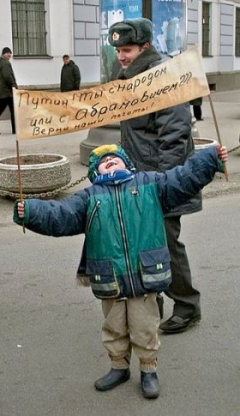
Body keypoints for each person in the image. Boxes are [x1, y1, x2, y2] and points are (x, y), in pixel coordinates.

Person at [13, 143, 227, 399]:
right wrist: (32, 211)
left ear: (128, 163)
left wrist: (210, 157)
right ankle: (119, 367)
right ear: (94, 172)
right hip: (110, 278)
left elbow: (183, 178)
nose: (110, 161)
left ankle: (149, 370)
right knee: (114, 327)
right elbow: (61, 214)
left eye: (115, 157)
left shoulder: (151, 184)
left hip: (144, 275)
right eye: (104, 161)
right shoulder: (89, 197)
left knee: (145, 327)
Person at [108, 18, 202, 334]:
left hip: (161, 180)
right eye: (119, 49)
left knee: (165, 246)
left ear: (145, 47)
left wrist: (163, 186)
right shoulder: (127, 76)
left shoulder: (164, 78)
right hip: (137, 178)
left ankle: (187, 307)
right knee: (145, 245)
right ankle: (154, 302)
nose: (121, 55)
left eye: (128, 49)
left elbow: (175, 136)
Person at [0, 46, 17, 135]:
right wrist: (14, 85)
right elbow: (7, 76)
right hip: (7, 92)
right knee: (12, 110)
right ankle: (15, 129)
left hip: (3, 91)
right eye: (8, 53)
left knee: (0, 109)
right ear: (4, 54)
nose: (10, 55)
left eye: (10, 53)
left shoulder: (0, 62)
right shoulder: (5, 63)